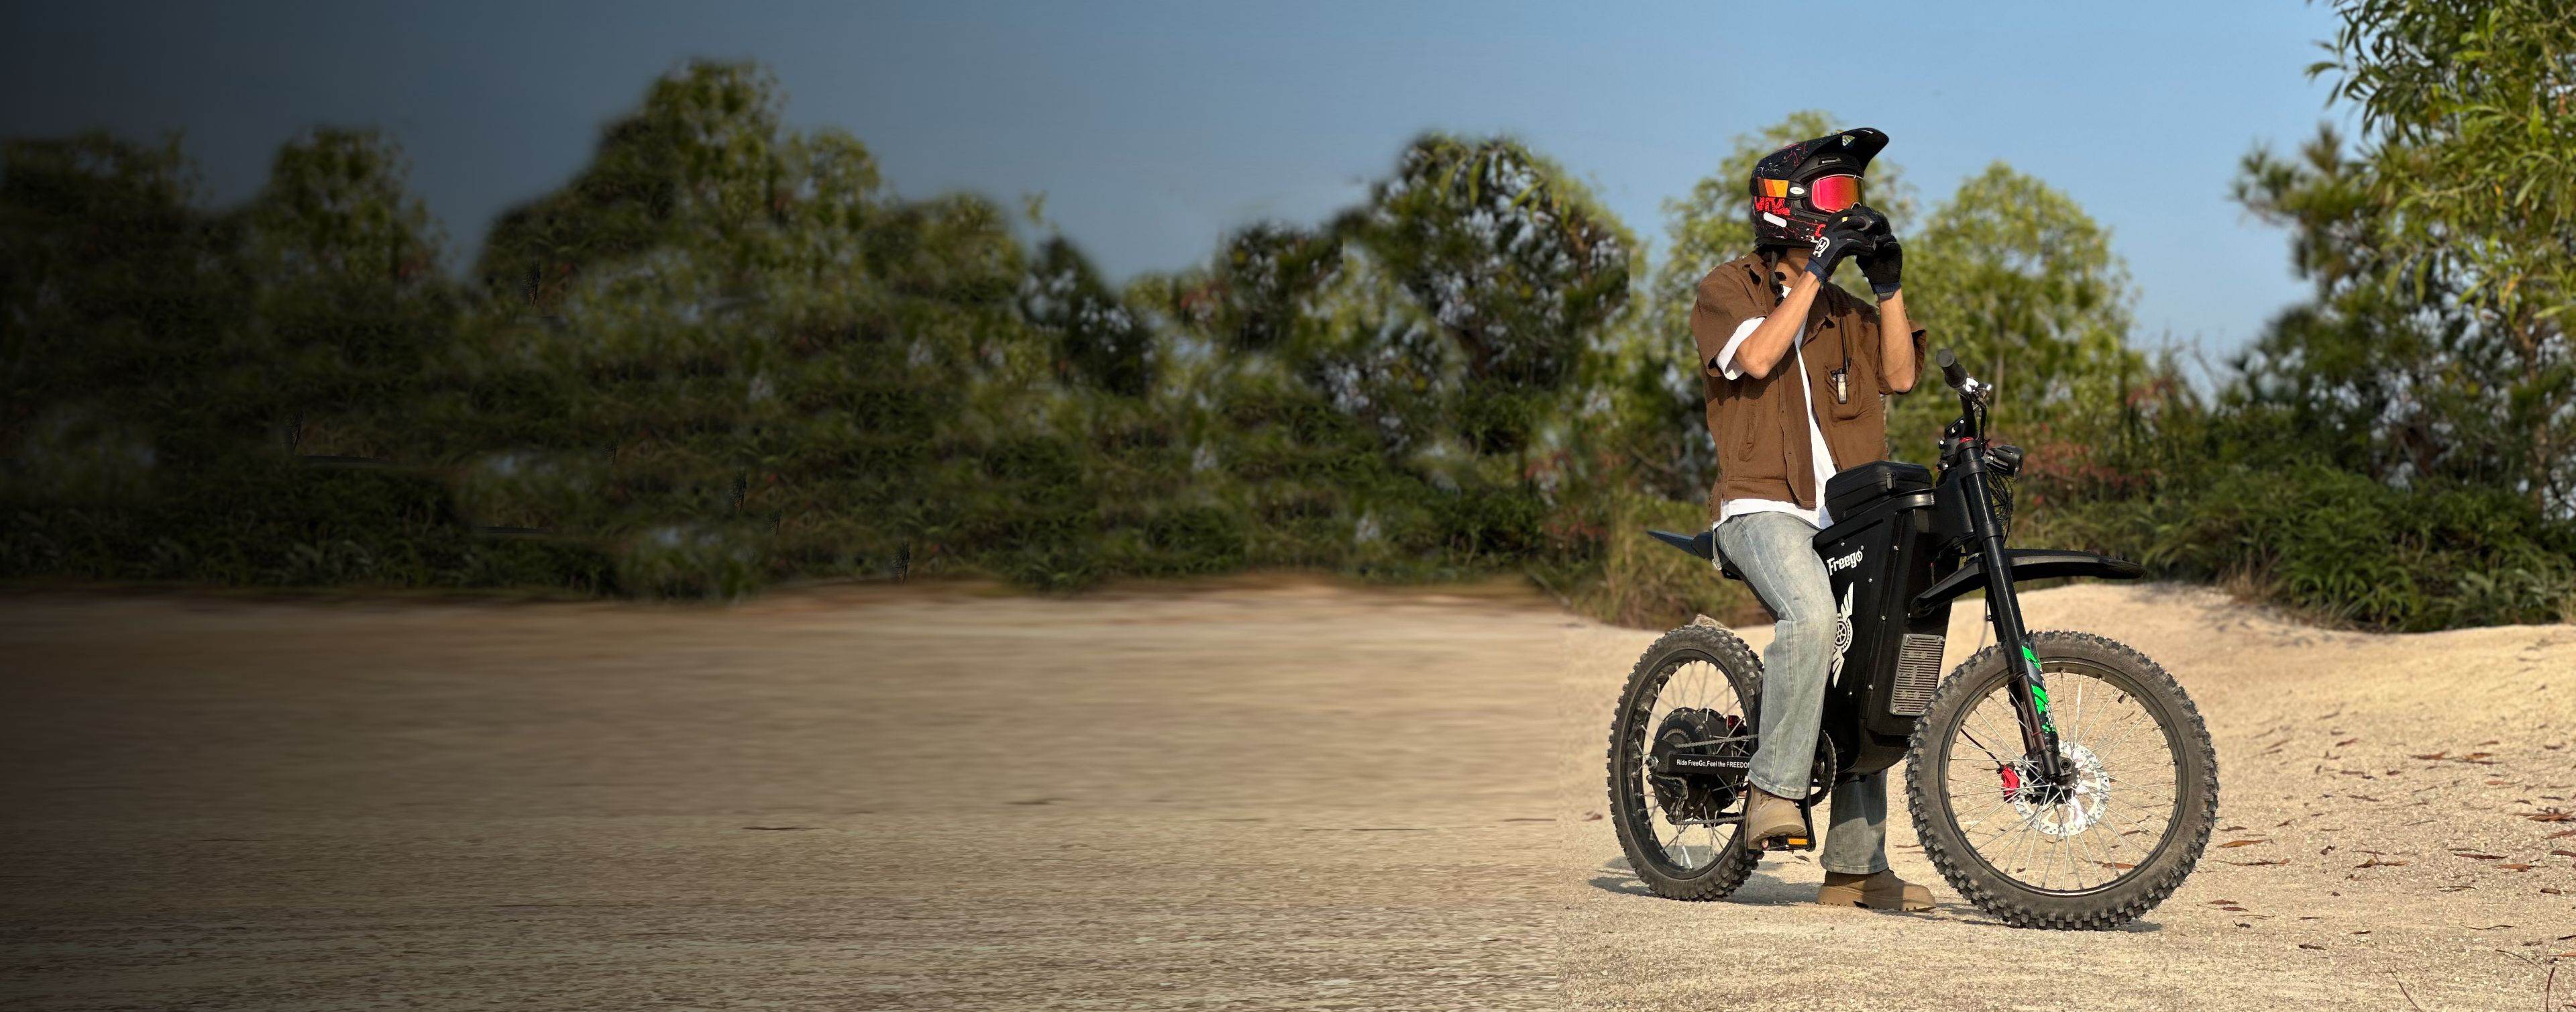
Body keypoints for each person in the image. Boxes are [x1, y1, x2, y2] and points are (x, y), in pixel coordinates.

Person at [1689, 126, 1931, 912]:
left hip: (1845, 517)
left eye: (1851, 199)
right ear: (1782, 210)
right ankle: (1770, 790)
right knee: (1814, 613)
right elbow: (1755, 359)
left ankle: (1857, 867)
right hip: (1761, 509)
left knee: (1871, 655)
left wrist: (1888, 286)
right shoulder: (1727, 289)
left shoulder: (1848, 312)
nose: (1847, 210)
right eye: (1832, 197)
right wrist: (1815, 271)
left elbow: (1899, 375)